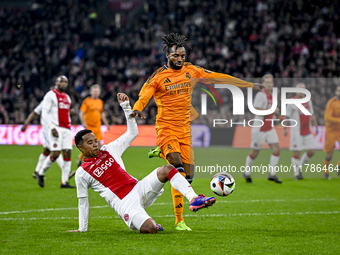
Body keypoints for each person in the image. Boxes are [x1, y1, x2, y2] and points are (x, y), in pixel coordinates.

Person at [132, 33, 263, 230]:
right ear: (168, 54)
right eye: (176, 55)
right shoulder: (159, 76)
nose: (180, 59)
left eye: (183, 56)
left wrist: (249, 84)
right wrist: (137, 108)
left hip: (185, 131)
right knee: (178, 171)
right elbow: (145, 93)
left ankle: (161, 153)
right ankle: (180, 219)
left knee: (187, 178)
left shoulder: (191, 70)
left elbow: (218, 77)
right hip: (166, 129)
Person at [67, 93, 216, 234]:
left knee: (167, 169)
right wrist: (82, 229)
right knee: (151, 229)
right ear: (80, 148)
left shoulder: (109, 149)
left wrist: (126, 107)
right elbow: (83, 202)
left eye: (95, 141)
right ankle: (148, 223)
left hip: (139, 187)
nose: (95, 145)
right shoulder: (82, 173)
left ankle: (194, 198)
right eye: (90, 143)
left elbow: (132, 133)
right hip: (125, 204)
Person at [37, 75, 74, 188]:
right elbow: (45, 113)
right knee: (56, 154)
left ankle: (64, 182)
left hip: (66, 128)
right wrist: (51, 127)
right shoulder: (50, 95)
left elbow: (66, 113)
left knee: (67, 153)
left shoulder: (67, 97)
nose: (63, 83)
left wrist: (70, 116)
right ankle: (41, 172)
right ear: (56, 83)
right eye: (61, 81)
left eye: (65, 82)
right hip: (55, 127)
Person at [243, 74, 282, 184]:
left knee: (277, 149)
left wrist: (274, 115)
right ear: (263, 84)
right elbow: (255, 109)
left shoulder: (272, 96)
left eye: (271, 82)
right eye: (267, 82)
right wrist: (272, 110)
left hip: (269, 127)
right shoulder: (261, 95)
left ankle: (272, 174)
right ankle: (246, 172)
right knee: (255, 152)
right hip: (259, 128)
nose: (269, 84)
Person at [21, 100, 65, 178]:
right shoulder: (46, 102)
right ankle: (66, 172)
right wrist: (26, 124)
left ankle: (36, 171)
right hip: (48, 129)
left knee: (47, 150)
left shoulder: (59, 103)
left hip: (54, 128)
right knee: (56, 149)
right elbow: (35, 112)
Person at [283, 83, 318, 180]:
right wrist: (285, 129)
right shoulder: (291, 102)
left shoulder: (308, 101)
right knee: (296, 152)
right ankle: (296, 174)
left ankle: (299, 167)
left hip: (307, 130)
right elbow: (287, 116)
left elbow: (312, 114)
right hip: (296, 131)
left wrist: (316, 126)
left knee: (311, 151)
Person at [77, 84, 110, 166]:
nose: (95, 93)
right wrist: (83, 122)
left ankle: (98, 161)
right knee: (87, 144)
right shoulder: (87, 101)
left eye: (97, 91)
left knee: (99, 144)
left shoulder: (100, 102)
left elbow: (101, 114)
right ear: (91, 92)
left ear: (99, 93)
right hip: (89, 126)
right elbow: (81, 113)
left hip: (97, 126)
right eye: (94, 91)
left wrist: (106, 123)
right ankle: (80, 157)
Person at [323, 85, 340, 179]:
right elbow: (327, 118)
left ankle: (339, 166)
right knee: (329, 153)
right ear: (336, 92)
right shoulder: (331, 103)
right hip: (331, 132)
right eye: (338, 90)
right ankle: (326, 172)